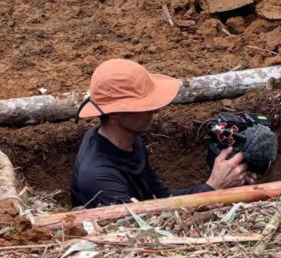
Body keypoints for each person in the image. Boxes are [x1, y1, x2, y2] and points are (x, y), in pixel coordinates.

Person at [71, 58, 251, 209]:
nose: (154, 110)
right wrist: (213, 188)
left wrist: (210, 187)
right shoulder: (98, 178)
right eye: (144, 105)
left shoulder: (129, 140)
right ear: (115, 114)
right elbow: (139, 232)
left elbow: (158, 198)